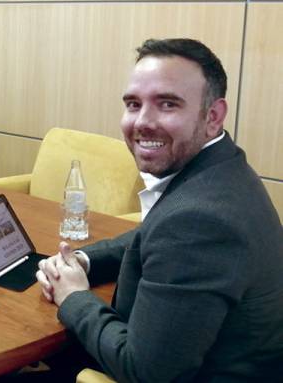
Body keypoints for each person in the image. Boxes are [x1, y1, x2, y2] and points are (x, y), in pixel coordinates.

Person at [36, 39, 283, 381]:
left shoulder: (200, 221)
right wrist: (83, 260)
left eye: (167, 104)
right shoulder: (222, 171)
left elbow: (144, 371)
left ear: (213, 116)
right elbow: (152, 235)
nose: (142, 122)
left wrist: (73, 296)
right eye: (133, 104)